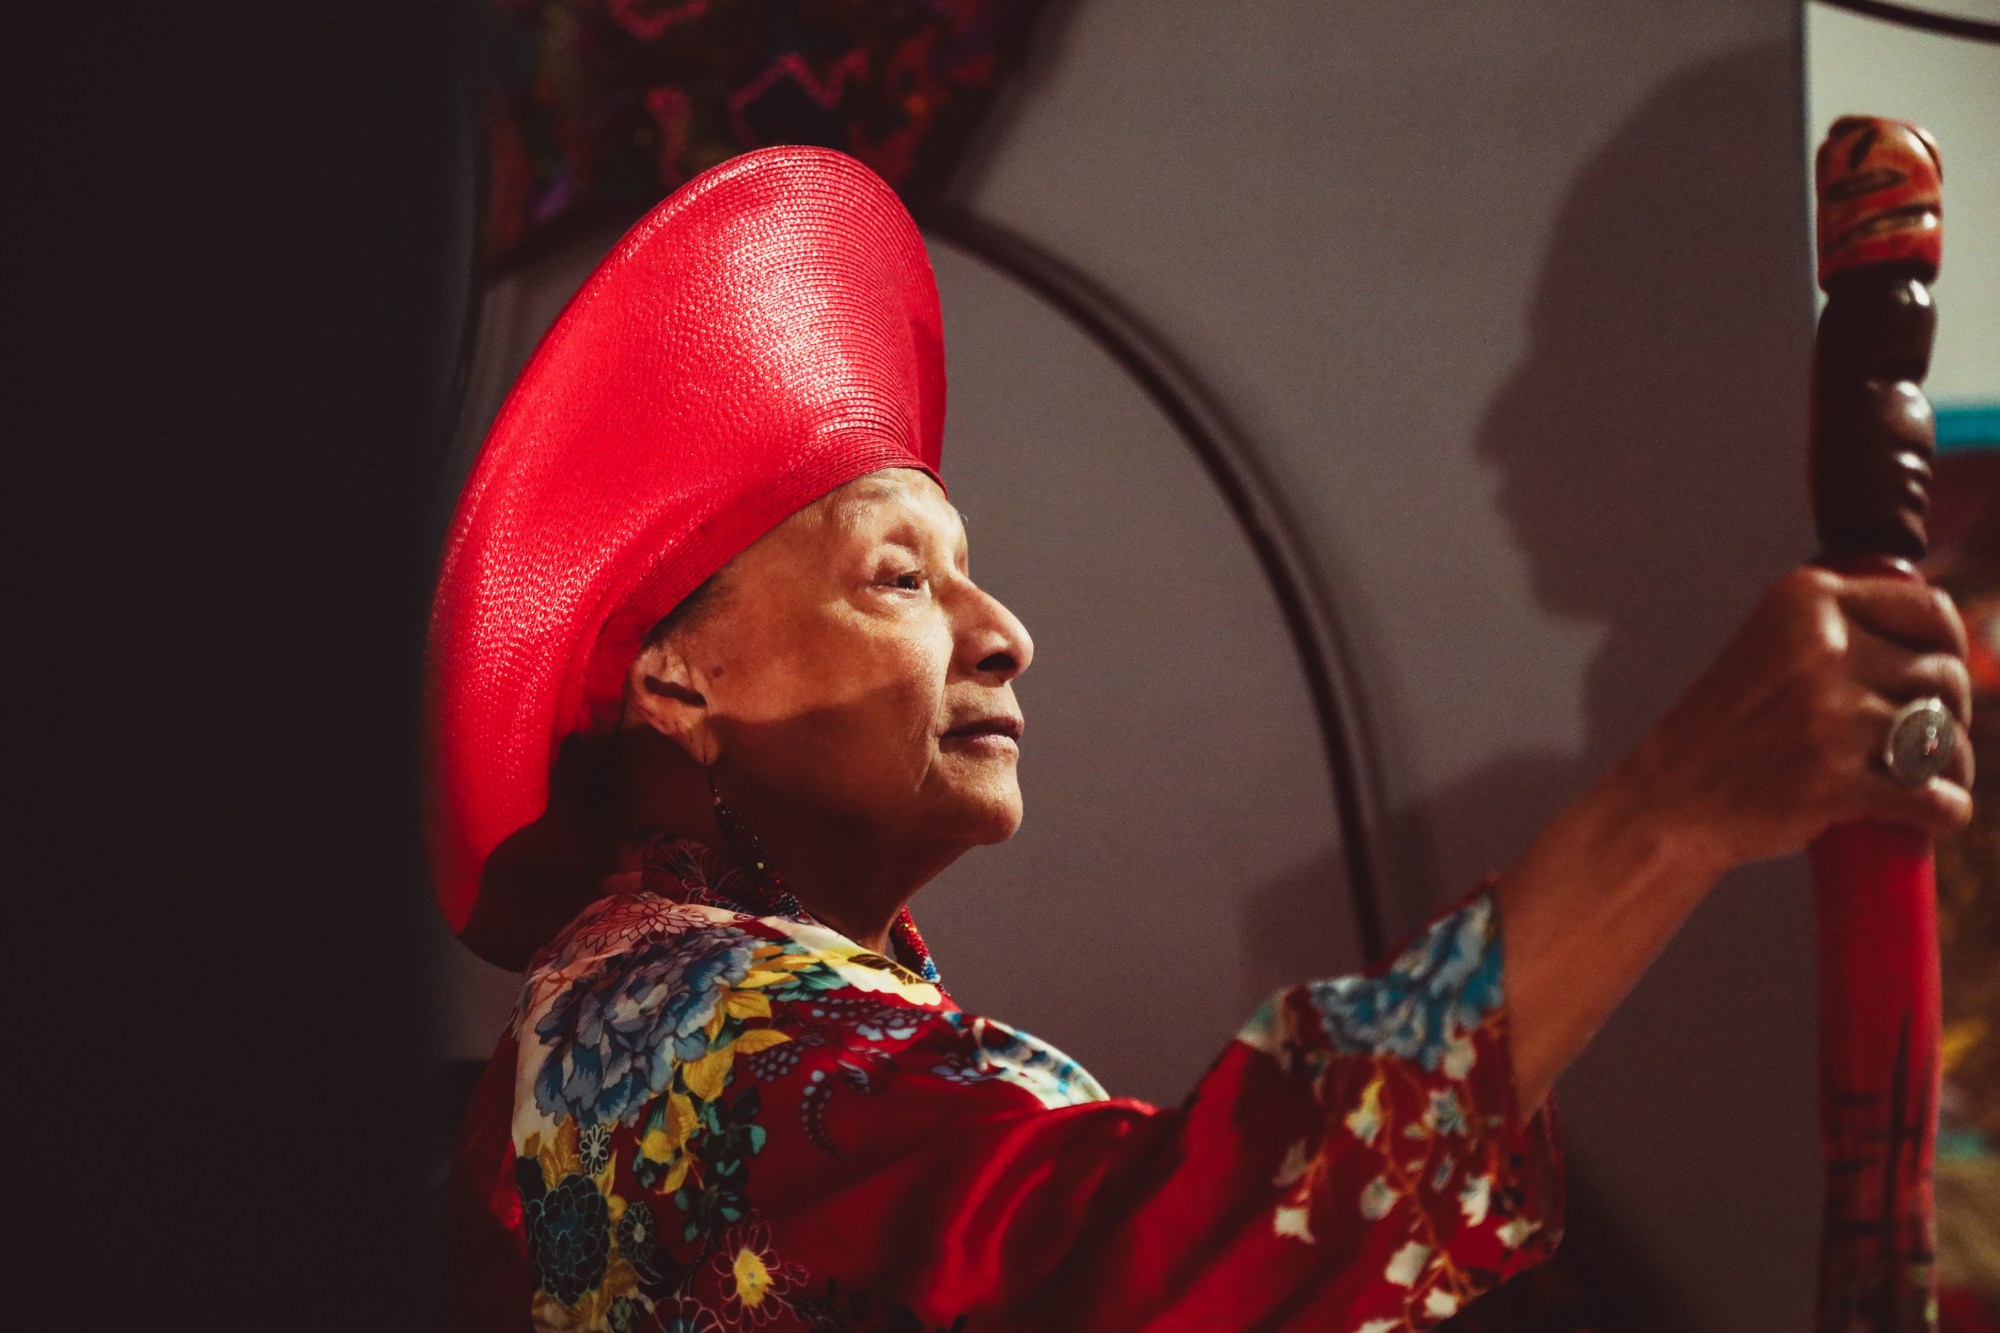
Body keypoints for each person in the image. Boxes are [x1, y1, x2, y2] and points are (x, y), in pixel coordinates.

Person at [433, 147, 1973, 1332]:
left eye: (974, 571)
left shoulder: (707, 1007)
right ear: (680, 683)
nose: (1003, 630)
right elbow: (1169, 1263)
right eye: (903, 577)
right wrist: (1675, 807)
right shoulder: (678, 1033)